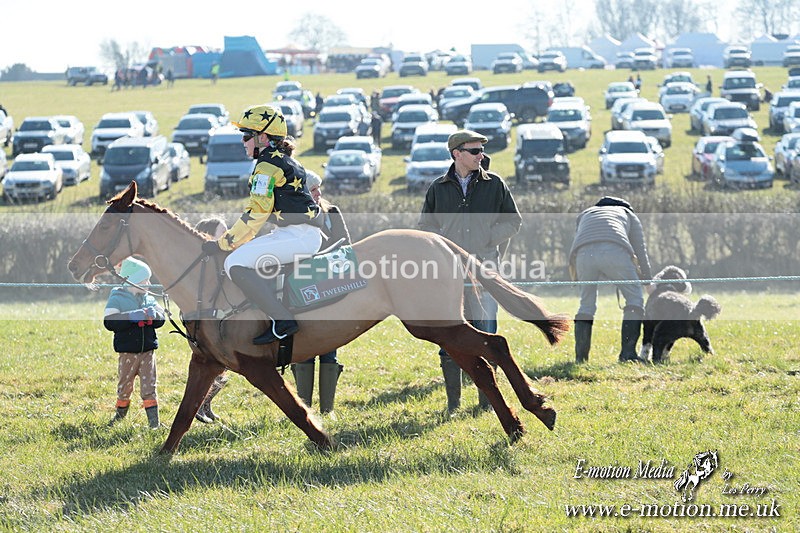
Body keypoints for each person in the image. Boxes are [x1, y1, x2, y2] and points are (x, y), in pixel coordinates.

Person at [418, 130, 522, 412]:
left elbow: (513, 221)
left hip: (485, 270)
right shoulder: (438, 188)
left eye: (482, 152)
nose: (481, 157)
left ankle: (487, 403)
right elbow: (425, 227)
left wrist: (487, 238)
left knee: (486, 334)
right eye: (475, 151)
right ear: (457, 154)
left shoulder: (495, 184)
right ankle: (453, 403)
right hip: (449, 274)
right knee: (448, 335)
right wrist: (442, 249)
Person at [202, 104, 323, 345]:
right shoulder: (282, 160)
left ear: (263, 137)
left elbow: (257, 212)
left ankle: (282, 320)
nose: (243, 142)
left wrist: (225, 243)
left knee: (234, 261)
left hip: (299, 235)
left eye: (247, 136)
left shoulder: (266, 167)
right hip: (298, 233)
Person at [568, 196, 653, 364]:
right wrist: (648, 281)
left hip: (582, 255)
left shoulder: (586, 213)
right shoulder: (629, 214)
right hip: (615, 251)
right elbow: (640, 250)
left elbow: (585, 238)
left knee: (586, 304)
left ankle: (581, 358)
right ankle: (628, 355)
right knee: (635, 299)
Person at [291, 171, 349, 415]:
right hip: (302, 289)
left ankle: (328, 410)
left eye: (319, 189)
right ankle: (304, 409)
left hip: (332, 287)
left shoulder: (332, 213)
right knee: (304, 348)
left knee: (329, 347)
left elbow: (346, 245)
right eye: (313, 190)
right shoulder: (293, 217)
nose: (319, 194)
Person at [104, 257, 165, 428]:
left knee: (149, 386)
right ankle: (120, 415)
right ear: (133, 281)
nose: (149, 283)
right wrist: (131, 316)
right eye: (145, 280)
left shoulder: (149, 298)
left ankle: (154, 423)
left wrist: (155, 316)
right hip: (128, 352)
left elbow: (162, 319)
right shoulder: (117, 298)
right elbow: (110, 322)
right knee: (125, 385)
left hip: (147, 352)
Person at [193, 217, 230, 423]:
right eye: (222, 233)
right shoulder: (203, 261)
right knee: (214, 365)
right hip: (208, 319)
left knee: (223, 368)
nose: (226, 236)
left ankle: (206, 405)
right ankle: (198, 406)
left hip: (223, 315)